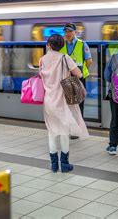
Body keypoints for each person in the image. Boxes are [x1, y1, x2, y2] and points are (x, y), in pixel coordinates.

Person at [39, 34, 89, 173]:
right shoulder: (65, 58)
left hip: (49, 100)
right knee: (64, 132)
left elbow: (41, 76)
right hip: (63, 100)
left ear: (49, 45)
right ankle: (65, 164)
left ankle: (54, 165)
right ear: (62, 46)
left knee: (51, 132)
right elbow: (78, 74)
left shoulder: (42, 59)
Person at [61, 23, 92, 139]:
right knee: (67, 104)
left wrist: (82, 72)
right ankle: (68, 128)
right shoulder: (61, 45)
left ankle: (77, 129)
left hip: (78, 78)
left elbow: (89, 61)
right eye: (66, 31)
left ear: (75, 32)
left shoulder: (82, 45)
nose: (67, 34)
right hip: (65, 78)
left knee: (78, 104)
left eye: (70, 31)